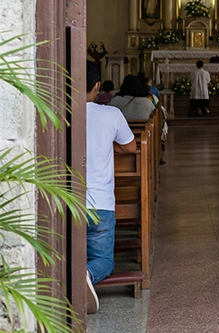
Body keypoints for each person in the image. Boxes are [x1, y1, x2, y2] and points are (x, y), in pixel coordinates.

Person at [84, 62, 135, 314]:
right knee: (105, 260)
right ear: (97, 86)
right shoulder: (110, 114)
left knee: (66, 253)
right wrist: (107, 147)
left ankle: (71, 278)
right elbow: (131, 147)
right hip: (101, 205)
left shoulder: (57, 112)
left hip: (65, 203)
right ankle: (87, 275)